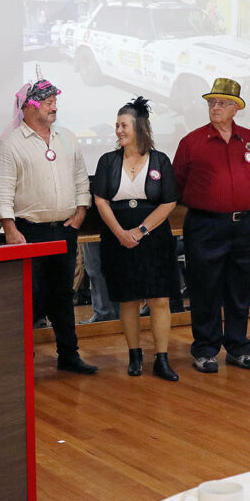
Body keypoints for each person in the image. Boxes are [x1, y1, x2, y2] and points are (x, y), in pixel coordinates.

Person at [0, 75, 96, 374]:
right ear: (28, 107)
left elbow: (80, 178)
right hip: (29, 231)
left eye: (54, 102)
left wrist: (80, 212)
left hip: (64, 229)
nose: (54, 107)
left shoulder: (68, 138)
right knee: (30, 297)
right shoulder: (10, 146)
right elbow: (2, 192)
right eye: (47, 102)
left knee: (64, 293)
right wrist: (10, 229)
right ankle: (22, 360)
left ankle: (69, 355)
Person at [173, 78, 250, 374]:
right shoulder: (192, 142)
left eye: (223, 103)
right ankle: (205, 350)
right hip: (205, 225)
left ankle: (238, 348)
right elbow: (178, 182)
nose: (215, 107)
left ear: (236, 108)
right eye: (212, 102)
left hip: (244, 225)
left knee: (240, 288)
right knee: (205, 288)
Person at [93, 97, 180, 381]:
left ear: (140, 127)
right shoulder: (107, 161)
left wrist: (141, 231)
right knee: (127, 299)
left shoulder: (160, 160)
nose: (118, 130)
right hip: (118, 235)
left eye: (124, 124)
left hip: (153, 237)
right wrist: (121, 233)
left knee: (159, 299)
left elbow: (168, 202)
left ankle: (162, 359)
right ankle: (134, 356)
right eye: (117, 125)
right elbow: (101, 200)